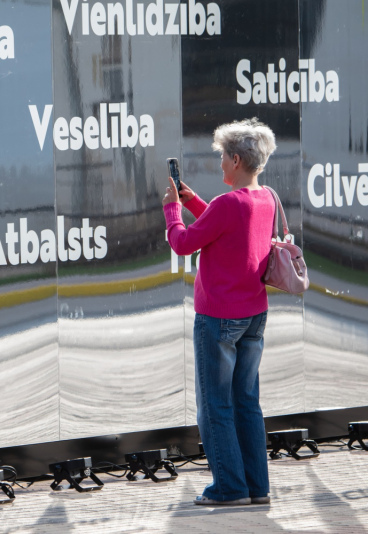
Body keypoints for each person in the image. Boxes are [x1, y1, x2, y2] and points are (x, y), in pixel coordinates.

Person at [162, 118, 277, 506]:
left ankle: (229, 487)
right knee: (246, 401)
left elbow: (183, 243)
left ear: (237, 159)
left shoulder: (229, 204)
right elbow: (227, 224)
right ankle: (255, 486)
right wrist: (193, 202)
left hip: (219, 318)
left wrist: (172, 212)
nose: (221, 165)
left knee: (216, 406)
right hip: (254, 316)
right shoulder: (266, 198)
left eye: (223, 158)